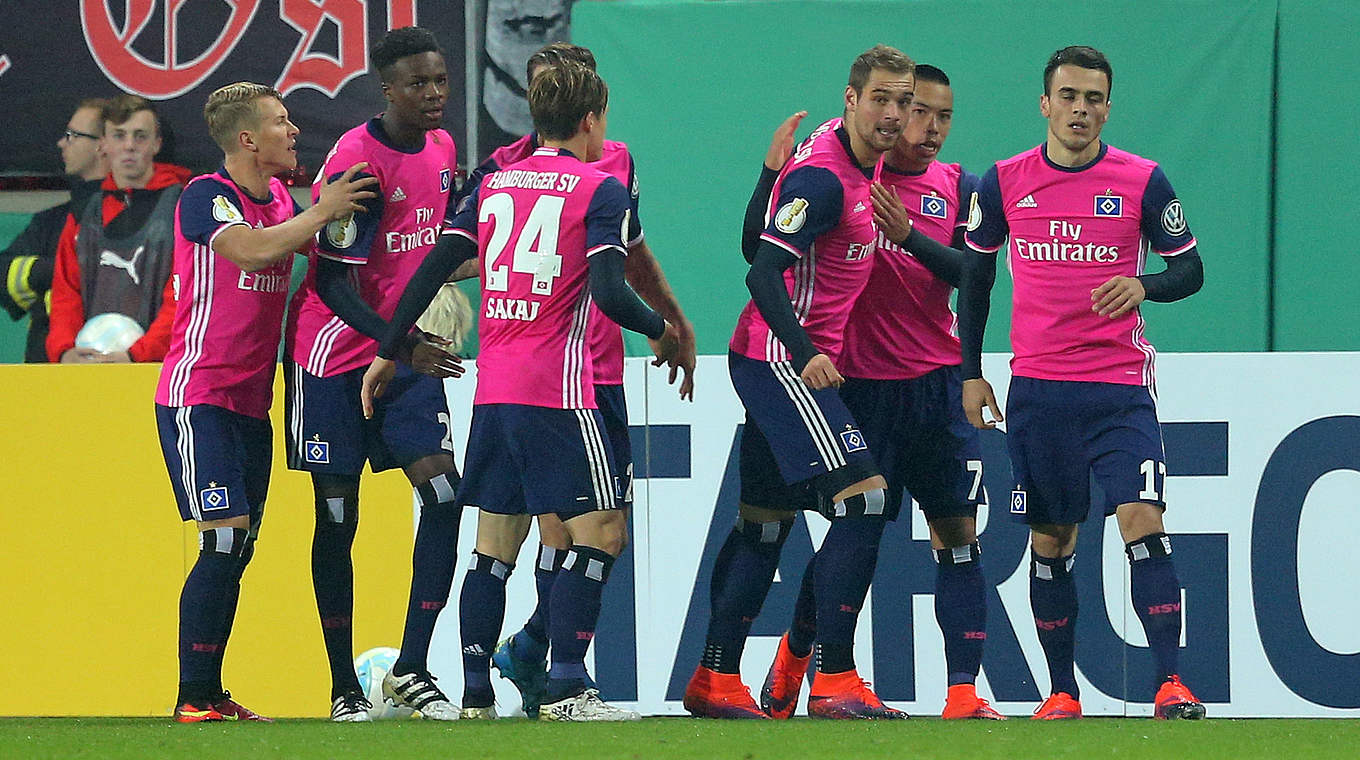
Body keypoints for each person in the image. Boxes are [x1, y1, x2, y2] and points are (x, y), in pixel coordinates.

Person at [361, 61, 680, 721]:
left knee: (494, 546)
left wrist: (390, 348)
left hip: (494, 389)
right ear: (592, 121)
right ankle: (566, 687)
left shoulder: (497, 182)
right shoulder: (599, 187)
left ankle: (477, 697)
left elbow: (437, 266)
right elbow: (611, 290)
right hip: (557, 390)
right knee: (603, 531)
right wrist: (662, 328)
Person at [744, 65, 1004, 721]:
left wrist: (908, 237)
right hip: (859, 384)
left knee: (960, 534)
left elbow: (975, 276)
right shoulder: (853, 176)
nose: (930, 128)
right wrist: (770, 176)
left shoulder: (959, 188)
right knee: (855, 530)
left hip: (936, 385)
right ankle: (804, 658)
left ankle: (963, 694)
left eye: (942, 116)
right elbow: (765, 252)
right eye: (920, 112)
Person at [957, 45, 1206, 720]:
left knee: (1143, 522)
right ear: (1045, 103)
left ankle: (1170, 684)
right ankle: (1061, 692)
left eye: (1093, 98)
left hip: (1120, 387)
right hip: (1039, 390)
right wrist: (971, 373)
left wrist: (1144, 283)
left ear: (1107, 107)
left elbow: (1190, 270)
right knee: (1051, 540)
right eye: (1068, 96)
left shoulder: (1144, 180)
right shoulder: (1002, 181)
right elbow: (975, 282)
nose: (1081, 109)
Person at [459, 42, 696, 719]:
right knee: (574, 531)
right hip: (554, 376)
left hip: (591, 370)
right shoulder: (508, 171)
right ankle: (562, 676)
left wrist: (674, 319)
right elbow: (478, 258)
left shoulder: (614, 163)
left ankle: (530, 661)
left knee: (562, 532)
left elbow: (632, 254)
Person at [683, 44, 913, 720]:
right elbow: (759, 273)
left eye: (903, 101)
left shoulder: (840, 158)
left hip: (775, 356)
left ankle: (714, 679)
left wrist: (767, 172)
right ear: (851, 98)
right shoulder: (828, 178)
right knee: (864, 501)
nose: (893, 114)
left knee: (763, 525)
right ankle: (834, 680)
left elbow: (757, 241)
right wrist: (806, 350)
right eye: (881, 99)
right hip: (782, 362)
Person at [155, 81, 376, 722]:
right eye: (282, 122)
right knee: (223, 542)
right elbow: (252, 249)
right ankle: (193, 694)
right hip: (199, 396)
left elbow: (333, 256)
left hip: (254, 403)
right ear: (247, 138)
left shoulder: (279, 198)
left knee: (240, 545)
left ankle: (209, 690)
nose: (294, 131)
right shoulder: (206, 198)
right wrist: (319, 208)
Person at [282, 26, 466, 722]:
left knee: (446, 494)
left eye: (441, 80)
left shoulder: (444, 149)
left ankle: (413, 668)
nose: (434, 94)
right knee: (338, 520)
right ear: (386, 88)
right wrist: (405, 341)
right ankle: (343, 688)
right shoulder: (356, 162)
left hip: (403, 352)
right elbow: (330, 285)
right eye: (419, 83)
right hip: (332, 359)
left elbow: (427, 251)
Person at [47, 94, 191, 363]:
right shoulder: (83, 213)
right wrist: (65, 351)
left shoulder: (184, 206)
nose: (129, 146)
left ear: (156, 144)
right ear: (103, 144)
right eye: (119, 136)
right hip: (88, 367)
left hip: (163, 367)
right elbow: (65, 293)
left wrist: (139, 355)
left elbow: (183, 295)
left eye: (140, 136)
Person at [1, 98, 108, 362]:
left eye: (72, 136)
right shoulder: (52, 220)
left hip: (121, 373)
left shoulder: (149, 215)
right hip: (47, 374)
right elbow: (2, 273)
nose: (62, 143)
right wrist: (58, 271)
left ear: (103, 145)